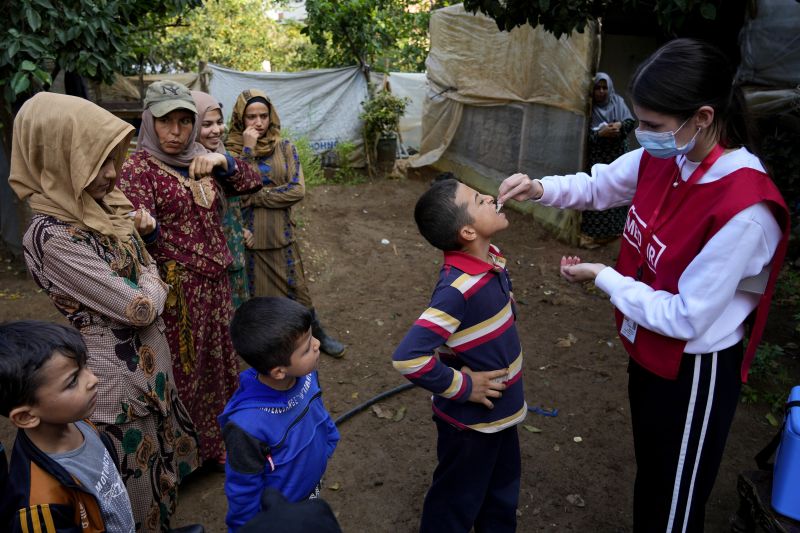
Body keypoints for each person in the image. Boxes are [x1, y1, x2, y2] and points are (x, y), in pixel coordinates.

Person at [498, 38, 790, 532]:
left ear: (701, 116)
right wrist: (541, 188)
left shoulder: (745, 209)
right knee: (653, 477)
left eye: (653, 125)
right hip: (648, 351)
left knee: (674, 502)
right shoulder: (669, 154)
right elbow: (598, 186)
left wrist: (605, 277)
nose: (643, 135)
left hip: (693, 368)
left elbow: (686, 317)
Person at [8, 92, 201, 532]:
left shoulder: (104, 207)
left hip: (152, 373)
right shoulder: (51, 236)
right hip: (117, 389)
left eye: (113, 159)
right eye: (98, 164)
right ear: (56, 159)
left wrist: (149, 274)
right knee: (131, 494)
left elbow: (145, 271)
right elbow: (137, 307)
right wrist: (153, 282)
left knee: (161, 479)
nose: (113, 174)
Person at [119, 81, 262, 469]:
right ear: (149, 120)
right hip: (178, 293)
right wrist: (150, 231)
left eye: (185, 121)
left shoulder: (201, 157)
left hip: (217, 287)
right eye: (167, 122)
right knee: (185, 374)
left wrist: (223, 161)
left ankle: (219, 448)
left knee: (220, 368)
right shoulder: (138, 169)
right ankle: (184, 461)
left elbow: (252, 182)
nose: (176, 132)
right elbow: (130, 236)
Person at [392, 178, 526, 533]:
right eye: (477, 199)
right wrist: (464, 386)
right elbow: (408, 357)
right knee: (454, 506)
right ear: (467, 231)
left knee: (500, 500)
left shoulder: (492, 260)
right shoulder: (457, 289)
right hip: (470, 427)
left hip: (502, 416)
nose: (487, 196)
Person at [225, 89, 345, 358]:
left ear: (272, 116)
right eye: (251, 117)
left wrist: (257, 196)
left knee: (299, 292)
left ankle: (318, 335)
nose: (258, 122)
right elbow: (235, 189)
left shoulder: (285, 147)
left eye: (263, 116)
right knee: (258, 301)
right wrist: (247, 149)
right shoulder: (230, 151)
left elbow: (296, 190)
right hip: (249, 240)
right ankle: (270, 349)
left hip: (281, 236)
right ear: (239, 119)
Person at [0, 321, 136, 533]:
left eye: (85, 366)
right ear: (26, 416)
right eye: (73, 381)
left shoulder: (77, 422)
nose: (92, 380)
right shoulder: (40, 506)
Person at [220, 297, 340, 532]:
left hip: (310, 491)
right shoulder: (246, 427)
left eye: (312, 336)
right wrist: (247, 528)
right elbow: (243, 488)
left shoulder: (305, 375)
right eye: (306, 349)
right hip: (280, 515)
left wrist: (328, 441)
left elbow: (317, 411)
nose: (316, 345)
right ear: (278, 372)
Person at [191, 90, 253, 309]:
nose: (216, 130)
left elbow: (242, 192)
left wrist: (239, 227)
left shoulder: (222, 155)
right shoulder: (190, 166)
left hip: (235, 253)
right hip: (211, 269)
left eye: (219, 122)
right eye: (207, 124)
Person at [580, 72, 636, 244]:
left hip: (617, 157)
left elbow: (629, 122)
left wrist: (619, 126)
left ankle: (614, 232)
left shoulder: (618, 102)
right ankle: (593, 236)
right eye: (598, 88)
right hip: (598, 159)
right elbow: (582, 137)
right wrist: (600, 134)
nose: (602, 91)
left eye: (605, 88)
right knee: (599, 190)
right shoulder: (587, 108)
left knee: (617, 190)